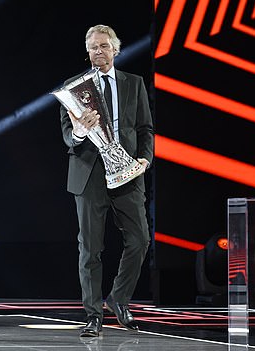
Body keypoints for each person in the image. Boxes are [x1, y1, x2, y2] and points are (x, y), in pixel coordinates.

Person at [59, 24, 154, 337]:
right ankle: (93, 314)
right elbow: (67, 136)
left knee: (140, 240)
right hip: (89, 173)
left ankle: (119, 298)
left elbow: (145, 128)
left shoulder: (134, 83)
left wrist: (145, 158)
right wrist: (80, 130)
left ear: (115, 49)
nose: (97, 52)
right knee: (90, 248)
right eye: (92, 48)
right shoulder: (74, 86)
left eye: (103, 46)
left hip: (127, 171)